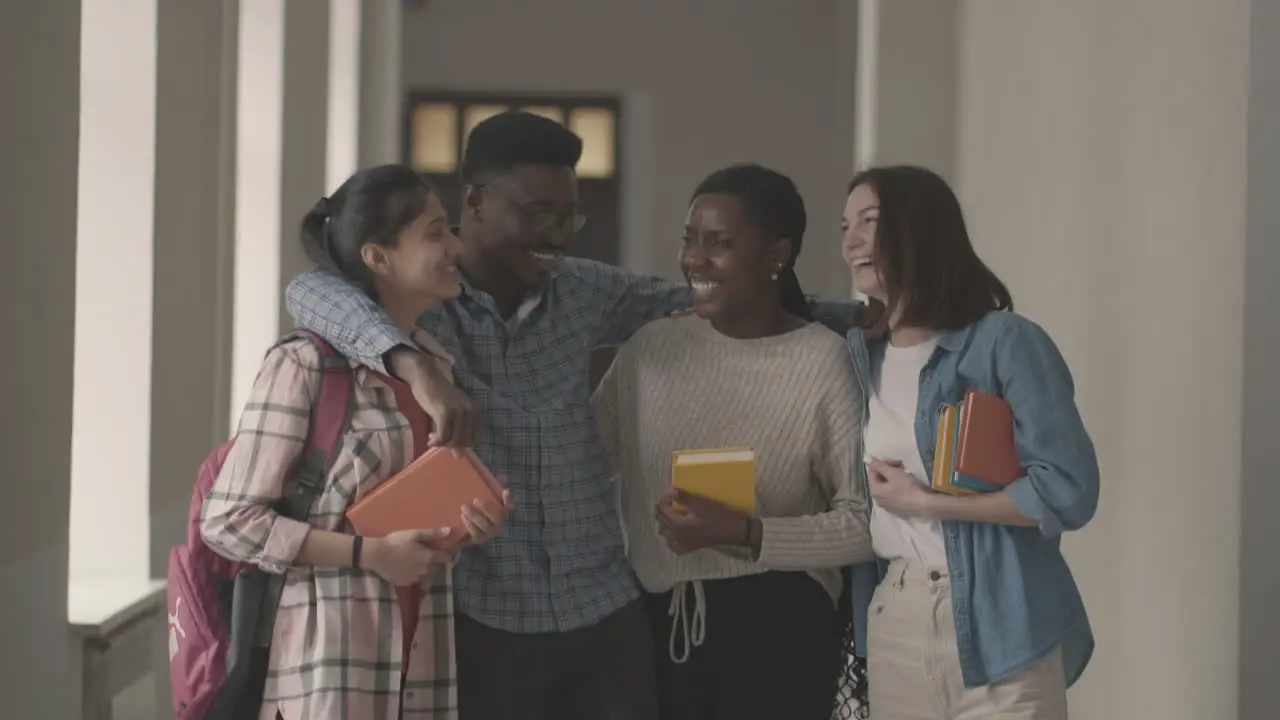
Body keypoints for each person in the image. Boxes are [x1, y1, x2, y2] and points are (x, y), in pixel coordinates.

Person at [283, 112, 861, 720]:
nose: (558, 234)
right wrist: (414, 365)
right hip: (480, 614)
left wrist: (859, 316)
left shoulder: (584, 290)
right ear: (475, 202)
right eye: (538, 214)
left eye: (568, 215)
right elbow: (310, 292)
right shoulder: (422, 303)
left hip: (605, 616)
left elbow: (710, 298)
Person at [201, 164, 511, 720]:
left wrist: (464, 529)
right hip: (328, 667)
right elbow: (228, 522)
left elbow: (406, 525)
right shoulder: (304, 365)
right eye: (435, 232)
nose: (455, 247)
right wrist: (372, 555)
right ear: (378, 256)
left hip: (423, 657)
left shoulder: (437, 366)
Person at [591, 164, 874, 719]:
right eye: (690, 239)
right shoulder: (649, 350)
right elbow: (579, 467)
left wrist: (747, 533)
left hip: (781, 628)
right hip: (657, 629)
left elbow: (864, 523)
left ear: (777, 255)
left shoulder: (823, 361)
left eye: (721, 244)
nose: (695, 259)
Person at [841, 165, 1098, 720]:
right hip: (897, 616)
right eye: (846, 226)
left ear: (920, 230)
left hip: (1000, 617)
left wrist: (925, 503)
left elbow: (1068, 490)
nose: (851, 241)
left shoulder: (1005, 343)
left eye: (871, 221)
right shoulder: (861, 355)